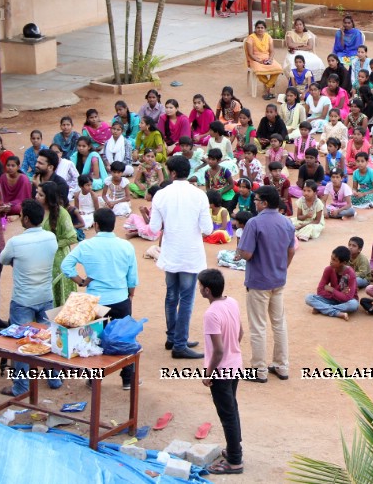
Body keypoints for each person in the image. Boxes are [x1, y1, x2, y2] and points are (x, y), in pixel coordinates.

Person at [62, 208, 139, 389]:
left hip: (96, 301)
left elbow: (66, 265)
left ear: (95, 225)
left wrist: (81, 281)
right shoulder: (126, 246)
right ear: (113, 225)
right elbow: (132, 276)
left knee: (94, 340)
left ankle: (94, 378)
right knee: (124, 339)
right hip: (121, 298)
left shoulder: (86, 245)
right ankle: (127, 379)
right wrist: (130, 294)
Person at [149, 156, 214, 359]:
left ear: (173, 173)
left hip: (171, 252)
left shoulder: (160, 194)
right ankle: (179, 343)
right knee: (186, 298)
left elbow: (153, 229)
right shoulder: (199, 195)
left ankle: (174, 337)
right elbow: (208, 229)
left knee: (171, 296)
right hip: (190, 254)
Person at [0, 199, 62, 396]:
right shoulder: (51, 237)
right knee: (48, 337)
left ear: (26, 219)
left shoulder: (16, 242)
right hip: (45, 295)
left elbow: (3, 259)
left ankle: (21, 386)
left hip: (23, 299)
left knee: (22, 342)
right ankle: (54, 378)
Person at [237, 186, 295, 382]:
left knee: (258, 326)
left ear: (264, 202)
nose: (255, 202)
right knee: (279, 324)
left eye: (257, 199)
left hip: (259, 281)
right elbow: (291, 251)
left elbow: (246, 253)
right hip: (278, 280)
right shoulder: (286, 222)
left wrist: (239, 249)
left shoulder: (254, 223)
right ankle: (282, 365)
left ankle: (259, 370)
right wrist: (282, 269)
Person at [197, 269, 245, 475]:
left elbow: (217, 350)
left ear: (207, 290)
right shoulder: (232, 302)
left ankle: (235, 461)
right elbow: (240, 332)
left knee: (227, 415)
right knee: (232, 409)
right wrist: (233, 351)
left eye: (200, 286)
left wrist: (208, 374)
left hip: (221, 371)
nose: (199, 289)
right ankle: (235, 449)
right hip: (235, 365)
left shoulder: (211, 314)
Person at [305, 245, 359, 320]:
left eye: (334, 260)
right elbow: (320, 291)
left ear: (343, 263)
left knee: (353, 305)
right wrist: (339, 293)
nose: (331, 261)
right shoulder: (328, 270)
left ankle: (322, 309)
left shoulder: (350, 274)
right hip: (332, 300)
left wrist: (332, 290)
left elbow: (347, 298)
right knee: (309, 298)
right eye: (331, 258)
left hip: (347, 302)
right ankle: (337, 313)